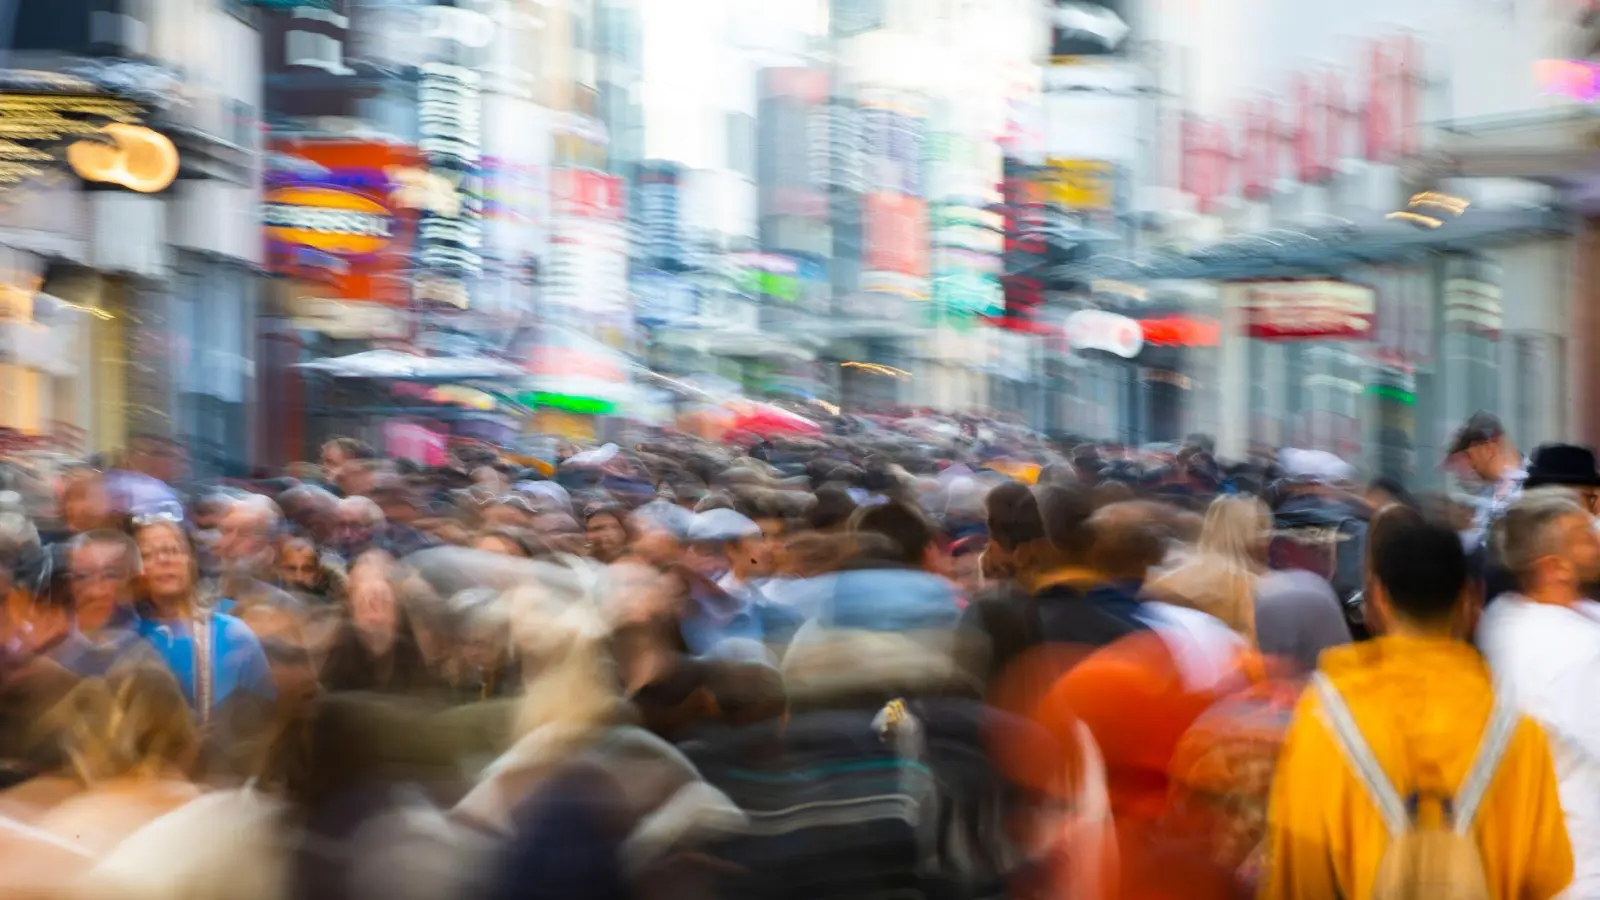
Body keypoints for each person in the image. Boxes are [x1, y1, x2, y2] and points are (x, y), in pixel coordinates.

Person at [1261, 507, 1573, 900]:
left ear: (1377, 597)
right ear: (1471, 598)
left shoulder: (1323, 717)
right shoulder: (1517, 731)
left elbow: (1298, 876)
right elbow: (1546, 875)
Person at [1478, 489, 1600, 897]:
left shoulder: (1504, 618)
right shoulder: (1579, 652)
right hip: (1582, 870)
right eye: (1586, 536)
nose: (1597, 539)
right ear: (1553, 568)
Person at [131, 520, 275, 724]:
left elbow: (265, 716)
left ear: (190, 561)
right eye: (147, 555)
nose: (163, 560)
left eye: (173, 550)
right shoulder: (128, 637)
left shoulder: (232, 634)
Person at [1448, 411, 1526, 549]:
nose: (1471, 465)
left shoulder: (1530, 489)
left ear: (1489, 448)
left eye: (1470, 456)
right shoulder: (1489, 493)